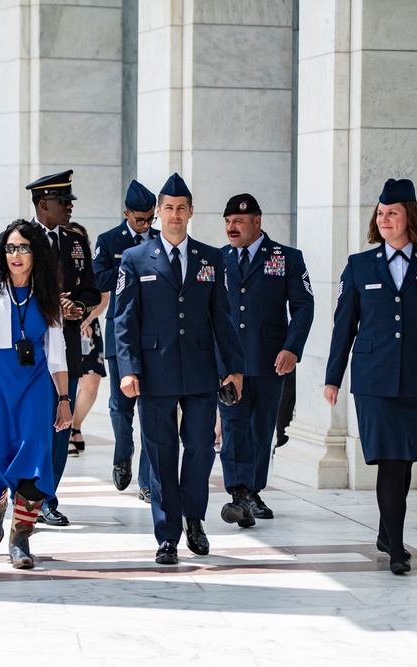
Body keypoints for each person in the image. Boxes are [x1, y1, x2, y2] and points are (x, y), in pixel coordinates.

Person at [324, 178, 417, 575]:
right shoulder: (358, 266)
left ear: (410, 218)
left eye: (393, 213)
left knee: (404, 463)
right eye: (381, 213)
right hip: (374, 380)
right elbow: (343, 326)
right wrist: (333, 377)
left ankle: (388, 533)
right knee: (389, 461)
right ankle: (398, 548)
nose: (385, 219)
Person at [114, 172, 245, 565]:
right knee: (161, 453)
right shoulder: (135, 259)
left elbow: (222, 316)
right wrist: (128, 368)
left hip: (201, 370)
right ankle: (168, 535)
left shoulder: (212, 258)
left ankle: (194, 520)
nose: (174, 215)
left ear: (191, 212)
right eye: (167, 208)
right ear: (159, 213)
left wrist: (234, 368)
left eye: (180, 208)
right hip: (153, 372)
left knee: (202, 449)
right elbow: (124, 320)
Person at [0, 220, 73, 570]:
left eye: (23, 247)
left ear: (36, 252)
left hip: (34, 382)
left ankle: (20, 537)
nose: (15, 255)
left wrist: (64, 400)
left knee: (36, 456)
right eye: (10, 248)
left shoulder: (46, 291)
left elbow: (57, 350)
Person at [217, 193, 314, 528]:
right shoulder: (216, 261)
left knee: (261, 428)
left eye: (238, 221)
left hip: (272, 360)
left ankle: (253, 491)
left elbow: (303, 306)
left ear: (257, 222)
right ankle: (239, 492)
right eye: (228, 221)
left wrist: (292, 348)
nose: (231, 227)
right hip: (230, 364)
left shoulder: (286, 258)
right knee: (232, 427)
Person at [25, 170, 100, 526]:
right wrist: (52, 303)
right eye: (62, 202)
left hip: (66, 348)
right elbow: (8, 291)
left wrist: (79, 309)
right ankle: (25, 495)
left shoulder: (75, 241)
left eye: (69, 202)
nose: (69, 207)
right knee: (30, 425)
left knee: (60, 422)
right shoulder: (19, 240)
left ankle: (48, 498)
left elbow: (90, 290)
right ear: (43, 204)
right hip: (31, 349)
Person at [92, 180, 160, 501]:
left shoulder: (162, 241)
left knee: (152, 408)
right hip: (121, 332)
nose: (146, 225)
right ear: (126, 214)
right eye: (140, 219)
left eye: (150, 219)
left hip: (155, 335)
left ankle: (147, 481)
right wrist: (133, 263)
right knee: (121, 408)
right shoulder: (108, 241)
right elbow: (99, 278)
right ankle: (123, 452)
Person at [62, 221, 108, 458]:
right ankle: (67, 430)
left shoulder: (92, 264)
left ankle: (75, 425)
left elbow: (103, 297)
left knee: (91, 384)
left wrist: (87, 320)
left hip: (89, 325)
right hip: (64, 328)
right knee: (66, 383)